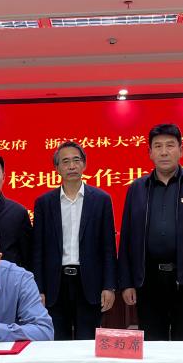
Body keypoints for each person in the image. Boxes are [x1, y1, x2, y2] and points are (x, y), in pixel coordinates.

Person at [117, 123, 183, 341]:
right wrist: (126, 282)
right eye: (158, 146)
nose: (164, 152)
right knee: (152, 344)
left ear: (181, 150)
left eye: (170, 145)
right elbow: (127, 237)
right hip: (148, 281)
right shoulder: (137, 188)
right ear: (150, 152)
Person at [32, 141, 117, 339]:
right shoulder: (44, 203)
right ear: (57, 168)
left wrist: (109, 286)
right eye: (65, 161)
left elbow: (108, 248)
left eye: (76, 160)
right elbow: (38, 250)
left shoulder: (101, 200)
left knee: (87, 343)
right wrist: (38, 289)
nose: (71, 166)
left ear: (84, 164)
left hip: (89, 284)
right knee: (56, 341)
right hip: (55, 285)